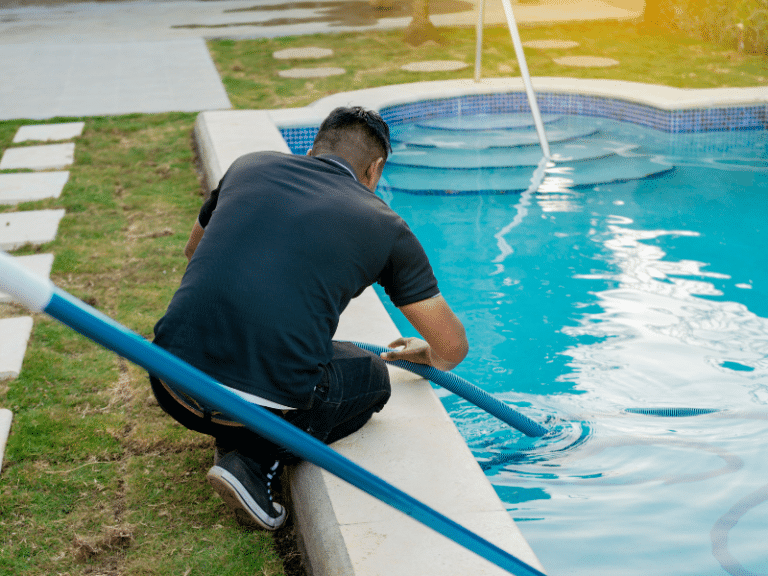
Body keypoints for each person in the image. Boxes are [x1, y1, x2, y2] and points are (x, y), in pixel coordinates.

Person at [149, 106, 468, 531]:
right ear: (374, 170)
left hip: (171, 382)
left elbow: (193, 251)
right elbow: (452, 349)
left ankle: (234, 426)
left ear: (314, 147)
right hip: (256, 405)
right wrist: (426, 354)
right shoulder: (384, 224)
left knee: (331, 353)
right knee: (370, 375)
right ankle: (254, 461)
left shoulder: (249, 166)